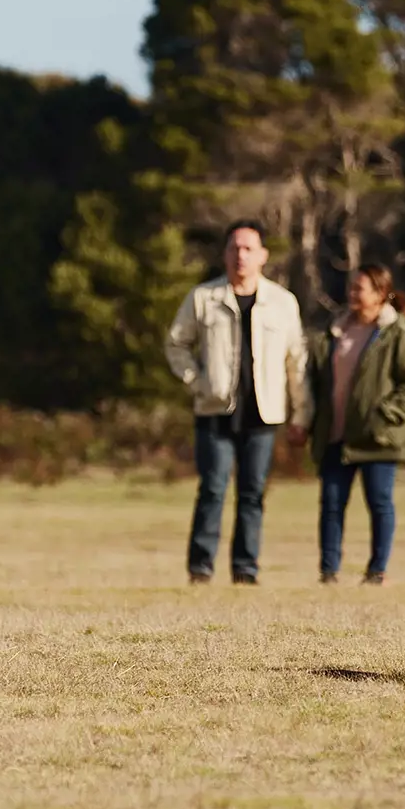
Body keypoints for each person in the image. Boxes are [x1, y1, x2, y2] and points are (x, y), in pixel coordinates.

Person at [163, 222, 308, 585]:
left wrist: (301, 412)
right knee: (212, 488)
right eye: (234, 248)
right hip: (215, 411)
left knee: (252, 493)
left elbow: (297, 361)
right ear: (225, 254)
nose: (240, 256)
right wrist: (197, 382)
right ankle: (201, 567)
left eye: (248, 249)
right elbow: (176, 344)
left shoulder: (282, 302)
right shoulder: (202, 297)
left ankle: (245, 569)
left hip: (264, 412)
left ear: (262, 255)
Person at [307, 263, 405, 585]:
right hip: (336, 434)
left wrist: (385, 413)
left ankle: (377, 571)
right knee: (331, 504)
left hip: (378, 437)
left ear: (380, 294)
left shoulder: (398, 334)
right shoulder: (335, 330)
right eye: (351, 288)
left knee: (379, 503)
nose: (352, 294)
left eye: (360, 289)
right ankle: (328, 572)